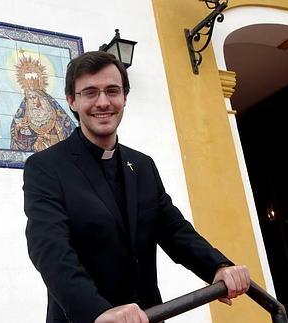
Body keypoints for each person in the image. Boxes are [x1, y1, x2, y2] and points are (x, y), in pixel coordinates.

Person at [23, 51, 250, 323]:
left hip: (148, 317)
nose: (103, 102)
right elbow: (50, 249)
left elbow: (175, 230)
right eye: (90, 92)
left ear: (125, 98)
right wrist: (98, 311)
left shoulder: (142, 165)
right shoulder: (46, 167)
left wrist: (218, 266)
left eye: (112, 91)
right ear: (72, 100)